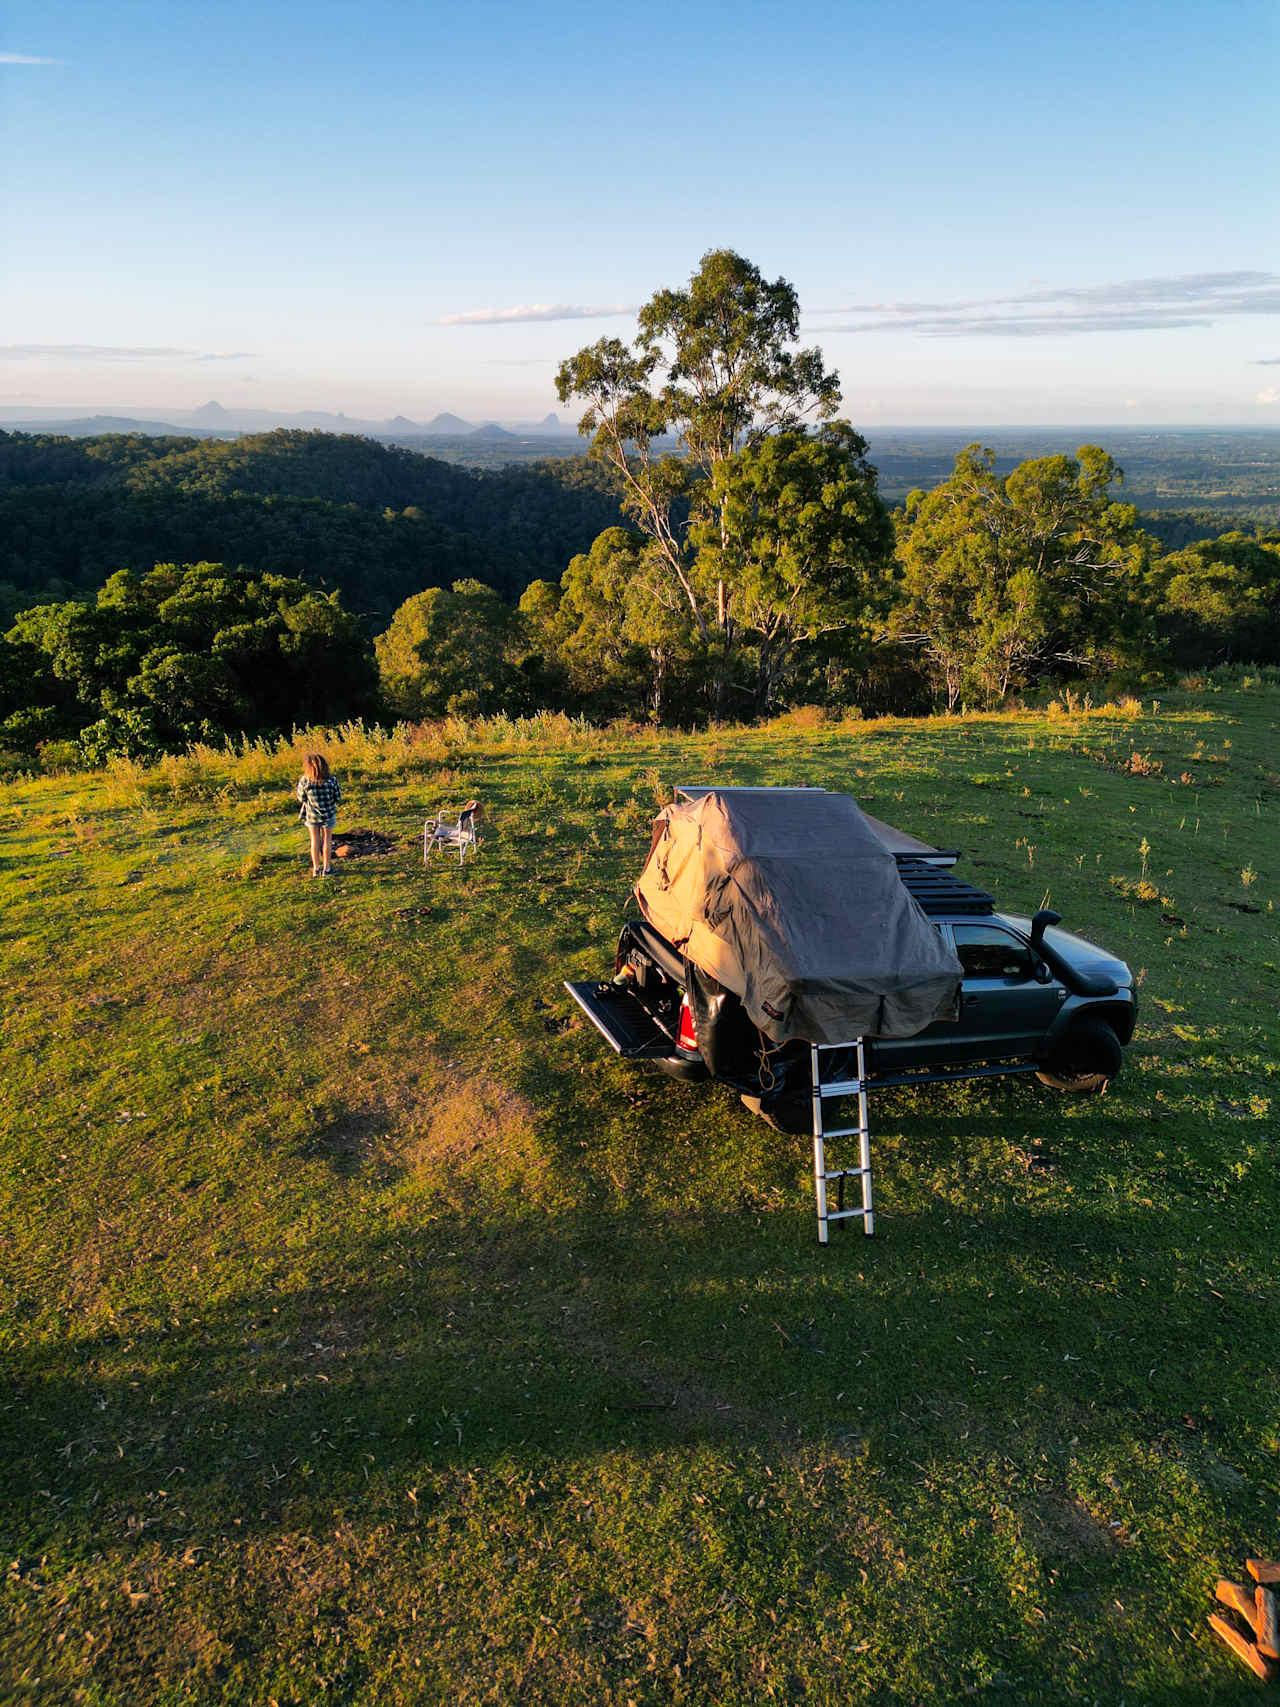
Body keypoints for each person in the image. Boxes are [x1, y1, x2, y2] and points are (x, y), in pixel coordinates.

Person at [296, 753, 342, 877]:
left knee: (314, 841)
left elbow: (301, 798)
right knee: (327, 841)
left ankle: (316, 868)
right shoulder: (332, 779)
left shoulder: (305, 780)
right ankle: (327, 868)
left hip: (311, 816)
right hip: (329, 814)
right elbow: (338, 797)